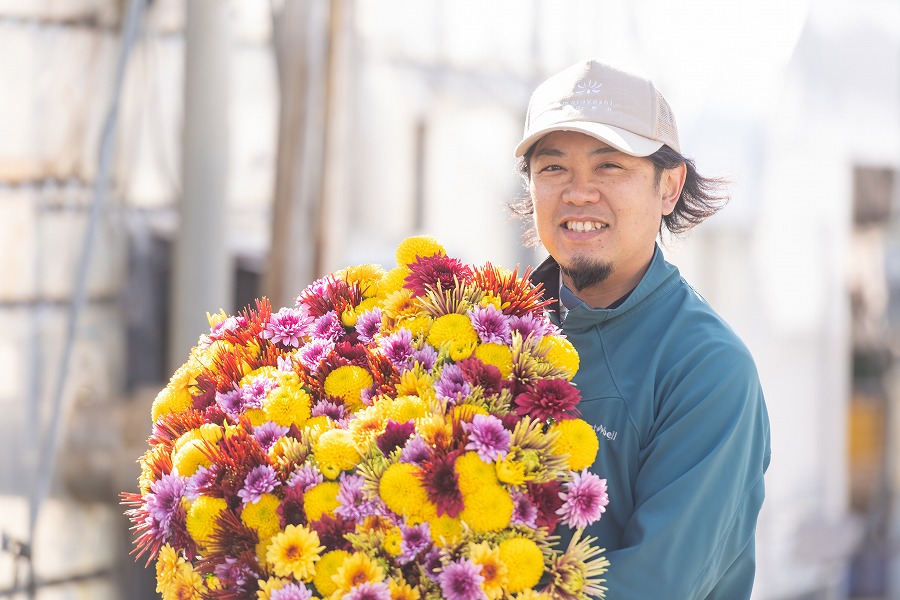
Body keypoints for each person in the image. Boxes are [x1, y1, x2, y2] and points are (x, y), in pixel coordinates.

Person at [513, 59, 772, 598]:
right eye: (553, 168)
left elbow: (654, 585)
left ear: (669, 187)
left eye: (610, 166)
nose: (578, 193)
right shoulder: (489, 331)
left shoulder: (707, 368)